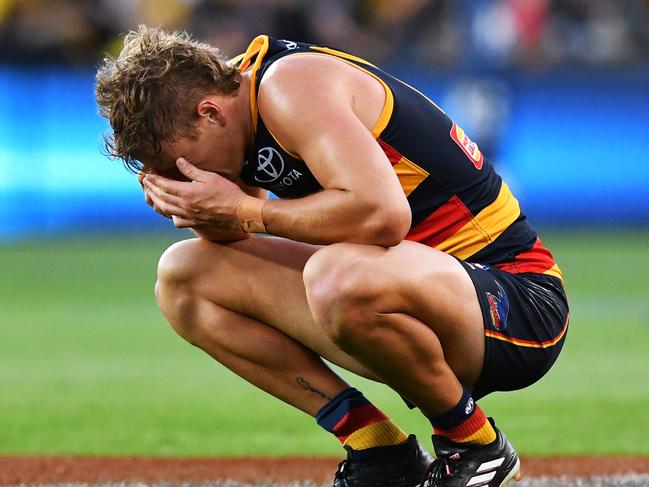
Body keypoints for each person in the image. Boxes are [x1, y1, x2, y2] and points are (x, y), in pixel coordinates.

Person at [96, 26, 569, 487]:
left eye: (179, 160)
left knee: (336, 275)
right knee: (184, 277)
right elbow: (231, 243)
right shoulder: (233, 113)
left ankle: (475, 444)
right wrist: (197, 205)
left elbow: (384, 217)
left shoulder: (289, 87)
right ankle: (380, 451)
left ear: (210, 113)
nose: (183, 171)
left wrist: (242, 207)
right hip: (402, 295)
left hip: (515, 302)